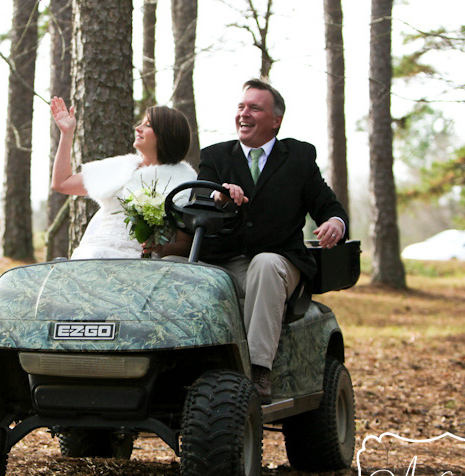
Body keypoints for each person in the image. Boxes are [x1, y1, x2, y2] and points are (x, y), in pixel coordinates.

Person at [148, 79, 348, 403]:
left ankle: (256, 373)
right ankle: (163, 367)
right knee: (168, 268)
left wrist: (335, 223)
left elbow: (329, 206)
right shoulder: (215, 155)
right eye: (241, 107)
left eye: (254, 107)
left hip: (278, 261)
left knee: (264, 263)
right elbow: (199, 200)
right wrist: (219, 199)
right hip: (220, 262)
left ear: (275, 120)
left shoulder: (298, 157)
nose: (244, 113)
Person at [50, 97, 196, 259]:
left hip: (139, 261)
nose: (138, 128)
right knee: (92, 255)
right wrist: (67, 133)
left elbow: (185, 244)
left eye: (148, 125)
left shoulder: (182, 180)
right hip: (95, 249)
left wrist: (160, 249)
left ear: (167, 135)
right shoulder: (120, 167)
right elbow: (61, 183)